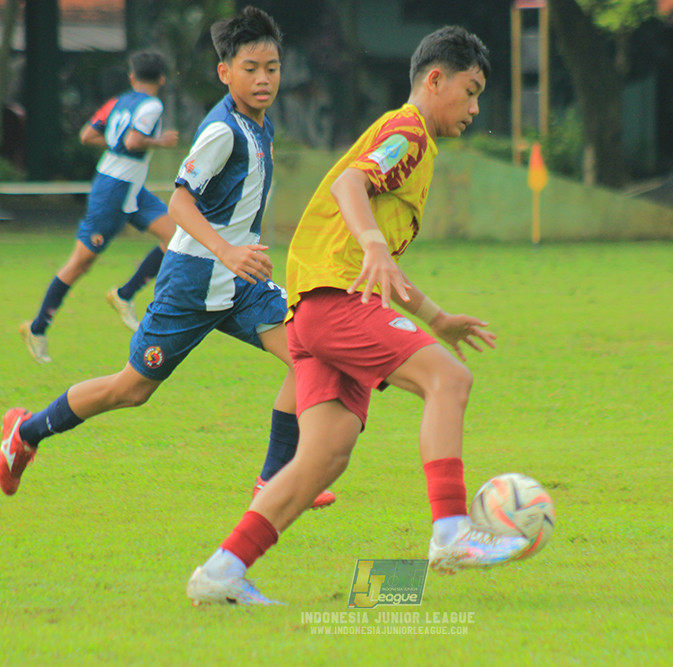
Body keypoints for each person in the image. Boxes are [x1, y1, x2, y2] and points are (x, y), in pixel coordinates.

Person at [186, 25, 530, 607]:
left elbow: (380, 266)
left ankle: (221, 571)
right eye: (470, 92)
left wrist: (436, 316)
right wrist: (372, 242)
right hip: (334, 302)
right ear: (435, 80)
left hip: (314, 310)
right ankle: (451, 531)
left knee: (323, 456)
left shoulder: (413, 142)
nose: (475, 108)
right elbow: (350, 185)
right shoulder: (408, 132)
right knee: (449, 379)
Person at [0, 7, 334, 511]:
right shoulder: (223, 131)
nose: (264, 79)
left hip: (241, 283)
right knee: (131, 389)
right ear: (225, 72)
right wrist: (227, 250)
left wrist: (236, 256)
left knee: (310, 355)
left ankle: (274, 479)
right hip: (192, 281)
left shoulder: (259, 125)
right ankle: (25, 434)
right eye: (251, 69)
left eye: (272, 68)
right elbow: (179, 203)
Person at [19, 50, 179, 364]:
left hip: (130, 186)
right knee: (80, 263)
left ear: (132, 77)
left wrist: (119, 141)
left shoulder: (118, 101)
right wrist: (160, 142)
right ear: (161, 79)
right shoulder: (153, 105)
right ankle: (36, 328)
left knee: (176, 237)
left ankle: (124, 294)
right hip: (113, 190)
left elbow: (87, 135)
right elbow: (133, 142)